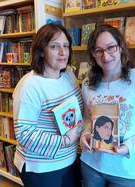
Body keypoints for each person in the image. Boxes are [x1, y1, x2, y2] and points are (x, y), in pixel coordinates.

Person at [80, 24, 135, 187]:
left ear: (120, 47)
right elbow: (87, 118)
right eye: (98, 50)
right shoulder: (87, 84)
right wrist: (84, 135)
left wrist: (128, 147)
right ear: (93, 55)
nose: (105, 56)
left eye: (111, 47)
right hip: (91, 165)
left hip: (129, 170)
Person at [13, 23, 83, 187]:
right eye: (54, 46)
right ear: (41, 51)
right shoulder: (30, 86)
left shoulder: (69, 76)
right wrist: (65, 141)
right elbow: (24, 134)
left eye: (66, 46)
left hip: (68, 159)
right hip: (41, 168)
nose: (63, 52)